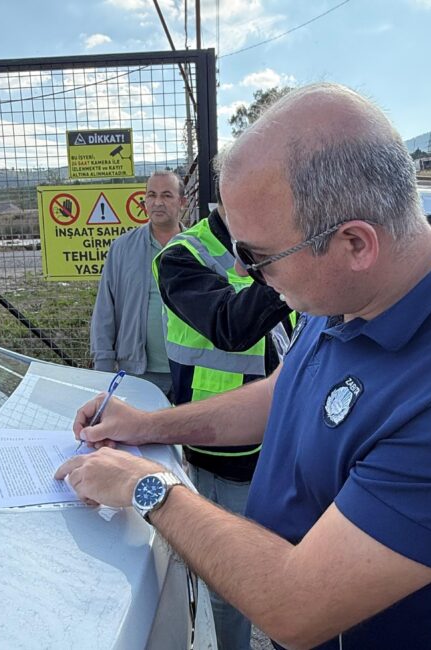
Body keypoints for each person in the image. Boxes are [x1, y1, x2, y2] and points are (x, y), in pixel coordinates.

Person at [56, 82, 431, 649]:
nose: (242, 270)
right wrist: (148, 426)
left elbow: (297, 605)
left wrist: (148, 487)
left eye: (257, 256)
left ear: (356, 243)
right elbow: (285, 392)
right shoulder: (353, 292)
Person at [152, 200, 293, 650]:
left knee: (288, 567)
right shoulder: (183, 256)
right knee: (231, 584)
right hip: (222, 450)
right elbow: (229, 326)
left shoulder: (275, 243)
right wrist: (291, 267)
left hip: (283, 437)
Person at [89, 171, 184, 395]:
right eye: (152, 195)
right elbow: (105, 309)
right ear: (145, 201)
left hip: (188, 369)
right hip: (137, 375)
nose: (158, 202)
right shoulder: (122, 248)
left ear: (182, 202)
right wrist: (103, 365)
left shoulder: (198, 248)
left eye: (167, 195)